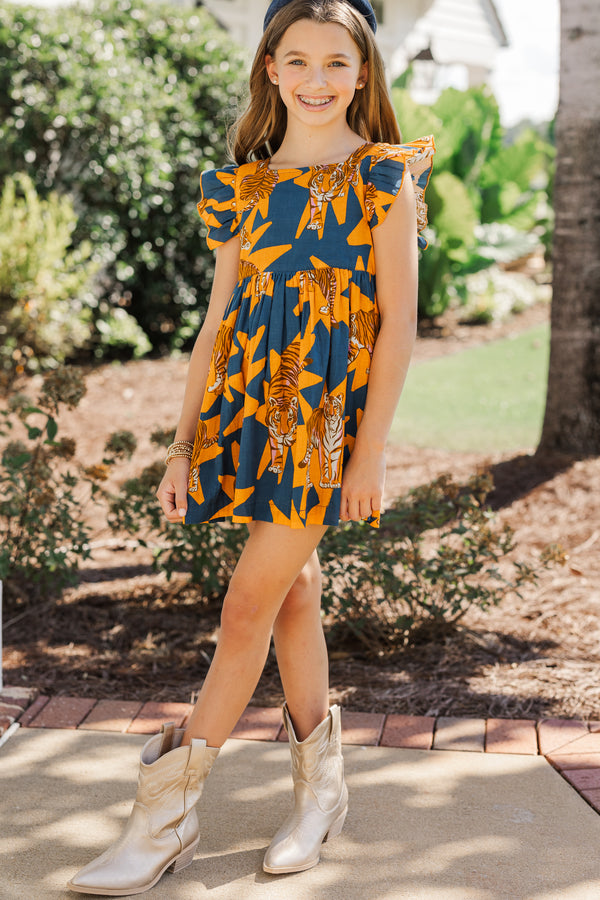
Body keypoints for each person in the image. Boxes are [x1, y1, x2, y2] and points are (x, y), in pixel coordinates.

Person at [67, 0, 434, 893]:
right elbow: (215, 323)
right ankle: (321, 793)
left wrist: (371, 449)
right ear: (270, 67)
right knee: (293, 595)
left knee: (244, 610)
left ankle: (164, 820)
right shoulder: (242, 185)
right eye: (297, 61)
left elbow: (398, 327)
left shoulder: (382, 177)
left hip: (323, 427)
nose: (317, 81)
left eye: (337, 64)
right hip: (245, 416)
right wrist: (183, 446)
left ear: (364, 74)